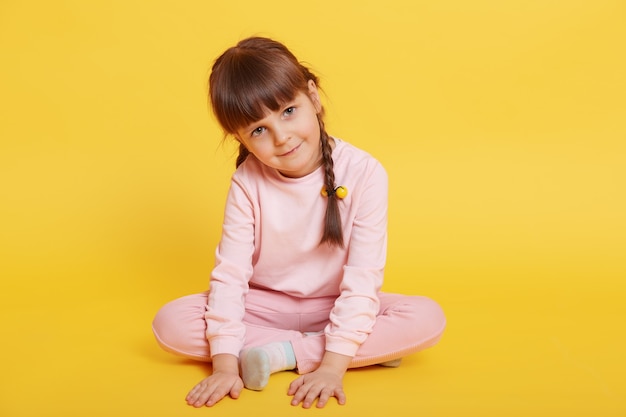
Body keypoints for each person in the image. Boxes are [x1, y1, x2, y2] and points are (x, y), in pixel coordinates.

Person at [152, 36, 446, 409]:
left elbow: (362, 279)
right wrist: (225, 365)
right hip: (262, 306)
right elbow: (230, 275)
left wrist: (333, 369)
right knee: (171, 322)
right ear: (239, 137)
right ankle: (357, 348)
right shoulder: (247, 181)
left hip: (334, 303)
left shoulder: (365, 172)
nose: (282, 137)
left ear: (313, 96)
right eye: (258, 130)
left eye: (289, 111)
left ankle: (284, 354)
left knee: (427, 317)